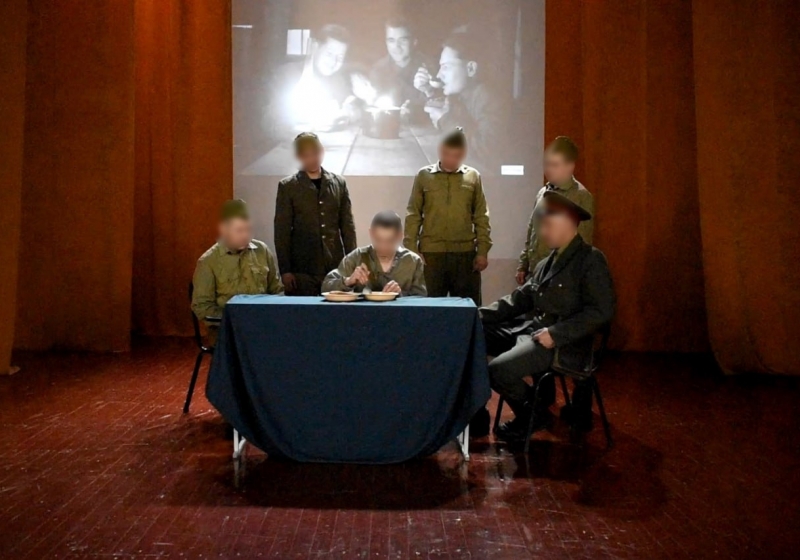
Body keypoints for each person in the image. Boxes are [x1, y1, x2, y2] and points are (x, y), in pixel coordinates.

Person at [479, 191, 614, 442]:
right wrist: (474, 315)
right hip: (536, 332)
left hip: (565, 343)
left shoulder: (590, 260)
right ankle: (479, 413)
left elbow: (601, 311)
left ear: (568, 223)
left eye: (548, 225)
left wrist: (556, 334)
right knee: (479, 334)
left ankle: (533, 414)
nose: (542, 232)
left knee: (498, 370)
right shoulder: (545, 263)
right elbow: (518, 300)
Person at [404, 127, 491, 305]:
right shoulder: (424, 176)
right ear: (440, 150)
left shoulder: (473, 177)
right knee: (429, 309)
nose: (451, 160)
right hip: (431, 255)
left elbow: (481, 216)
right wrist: (412, 250)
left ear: (463, 153)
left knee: (467, 309)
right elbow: (413, 214)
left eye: (456, 155)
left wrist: (482, 251)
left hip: (465, 255)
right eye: (447, 154)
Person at [275, 132, 357, 296]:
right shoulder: (288, 187)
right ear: (299, 156)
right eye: (306, 155)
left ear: (322, 151)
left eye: (315, 153)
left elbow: (347, 227)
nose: (312, 159)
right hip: (302, 268)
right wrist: (285, 270)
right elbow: (282, 231)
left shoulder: (339, 183)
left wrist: (351, 263)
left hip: (335, 266)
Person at [192, 200, 283, 341]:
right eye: (240, 230)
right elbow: (201, 306)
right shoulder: (208, 261)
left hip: (263, 327)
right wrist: (235, 318)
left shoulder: (262, 251)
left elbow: (276, 290)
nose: (245, 235)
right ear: (224, 230)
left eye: (249, 230)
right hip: (228, 332)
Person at [413, 31, 505, 170]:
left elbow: (484, 149)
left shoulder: (490, 99)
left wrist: (445, 120)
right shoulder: (461, 96)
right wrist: (428, 91)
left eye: (446, 67)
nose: (439, 75)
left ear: (470, 69)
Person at [264, 24, 373, 137]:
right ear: (315, 48)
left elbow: (352, 106)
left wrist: (349, 113)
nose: (333, 62)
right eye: (329, 54)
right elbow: (270, 122)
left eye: (340, 57)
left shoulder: (338, 79)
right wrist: (301, 121)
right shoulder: (287, 75)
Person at [516, 136, 594, 284]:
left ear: (570, 166)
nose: (549, 170)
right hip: (535, 272)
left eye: (554, 165)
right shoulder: (542, 192)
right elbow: (532, 228)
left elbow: (582, 242)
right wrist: (523, 264)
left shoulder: (580, 196)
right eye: (547, 164)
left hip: (559, 276)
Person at [322, 210, 427, 296]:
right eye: (378, 240)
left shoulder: (412, 262)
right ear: (371, 233)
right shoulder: (357, 257)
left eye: (389, 241)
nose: (383, 246)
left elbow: (421, 298)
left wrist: (400, 295)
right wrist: (349, 281)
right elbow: (326, 286)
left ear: (400, 236)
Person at [369, 18, 433, 122]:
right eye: (391, 40)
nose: (396, 47)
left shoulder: (429, 67)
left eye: (403, 40)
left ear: (414, 42)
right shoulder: (378, 70)